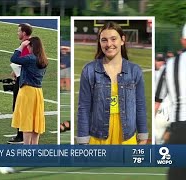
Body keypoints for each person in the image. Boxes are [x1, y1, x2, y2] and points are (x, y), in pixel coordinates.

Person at [76, 21, 148, 145]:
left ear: (122, 40)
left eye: (113, 39)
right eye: (104, 40)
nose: (109, 44)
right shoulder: (89, 70)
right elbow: (84, 107)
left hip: (126, 136)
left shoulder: (134, 71)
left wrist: (143, 135)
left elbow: (140, 105)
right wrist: (83, 140)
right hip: (98, 137)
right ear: (99, 42)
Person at [155, 23, 186, 180]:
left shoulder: (170, 65)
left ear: (183, 41)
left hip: (179, 129)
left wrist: (160, 132)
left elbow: (157, 103)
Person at [10, 36, 48, 145]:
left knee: (27, 121)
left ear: (32, 46)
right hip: (38, 92)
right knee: (36, 121)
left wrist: (21, 46)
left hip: (27, 92)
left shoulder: (30, 58)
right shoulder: (44, 60)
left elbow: (14, 59)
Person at [8, 23, 32, 144]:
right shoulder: (29, 44)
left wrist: (18, 71)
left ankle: (21, 135)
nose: (17, 33)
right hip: (21, 77)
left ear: (24, 33)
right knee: (19, 107)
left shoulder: (26, 45)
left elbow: (25, 61)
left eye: (19, 31)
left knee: (18, 107)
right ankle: (22, 134)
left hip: (23, 80)